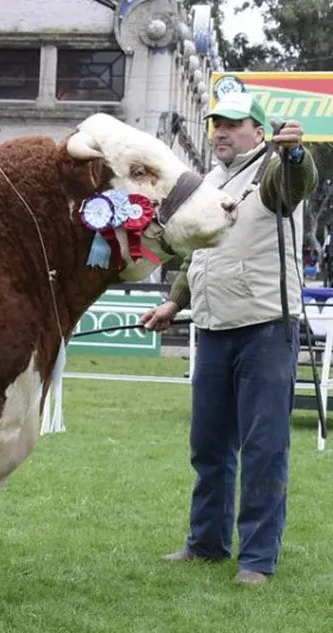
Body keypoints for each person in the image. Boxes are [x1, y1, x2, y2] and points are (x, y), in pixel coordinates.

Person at [139, 91, 318, 585]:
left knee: (264, 447)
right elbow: (200, 256)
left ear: (258, 133)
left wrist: (296, 152)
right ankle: (206, 542)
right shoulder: (207, 182)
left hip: (265, 327)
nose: (220, 131)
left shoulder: (273, 169)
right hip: (214, 328)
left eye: (235, 124)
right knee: (209, 445)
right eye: (217, 122)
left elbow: (296, 184)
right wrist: (175, 301)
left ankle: (257, 559)